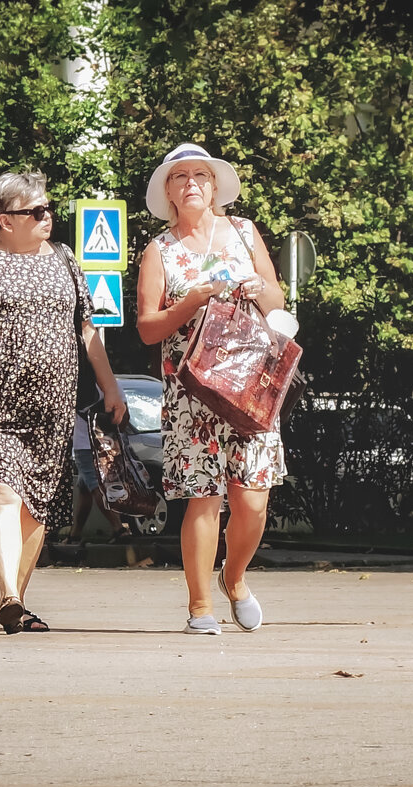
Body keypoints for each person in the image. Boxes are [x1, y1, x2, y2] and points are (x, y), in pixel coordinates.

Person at [0, 170, 126, 634]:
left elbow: (87, 328)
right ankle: (10, 596)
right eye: (34, 212)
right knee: (2, 495)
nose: (47, 217)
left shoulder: (64, 258)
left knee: (37, 507)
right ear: (4, 218)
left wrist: (109, 386)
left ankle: (14, 602)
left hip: (52, 404)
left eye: (48, 208)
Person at [135, 143, 286, 634]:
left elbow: (276, 296)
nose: (192, 183)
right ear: (169, 192)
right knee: (202, 497)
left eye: (201, 175)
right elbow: (148, 328)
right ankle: (200, 606)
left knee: (253, 498)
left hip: (250, 382)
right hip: (191, 391)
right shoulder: (160, 250)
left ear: (215, 186)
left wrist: (255, 290)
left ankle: (234, 578)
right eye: (180, 177)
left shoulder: (243, 232)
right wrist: (193, 300)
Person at [60, 407, 132, 546]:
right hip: (107, 440)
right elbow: (124, 413)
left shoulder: (81, 386)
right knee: (85, 487)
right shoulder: (111, 387)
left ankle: (118, 529)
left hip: (84, 443)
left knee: (94, 484)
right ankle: (75, 534)